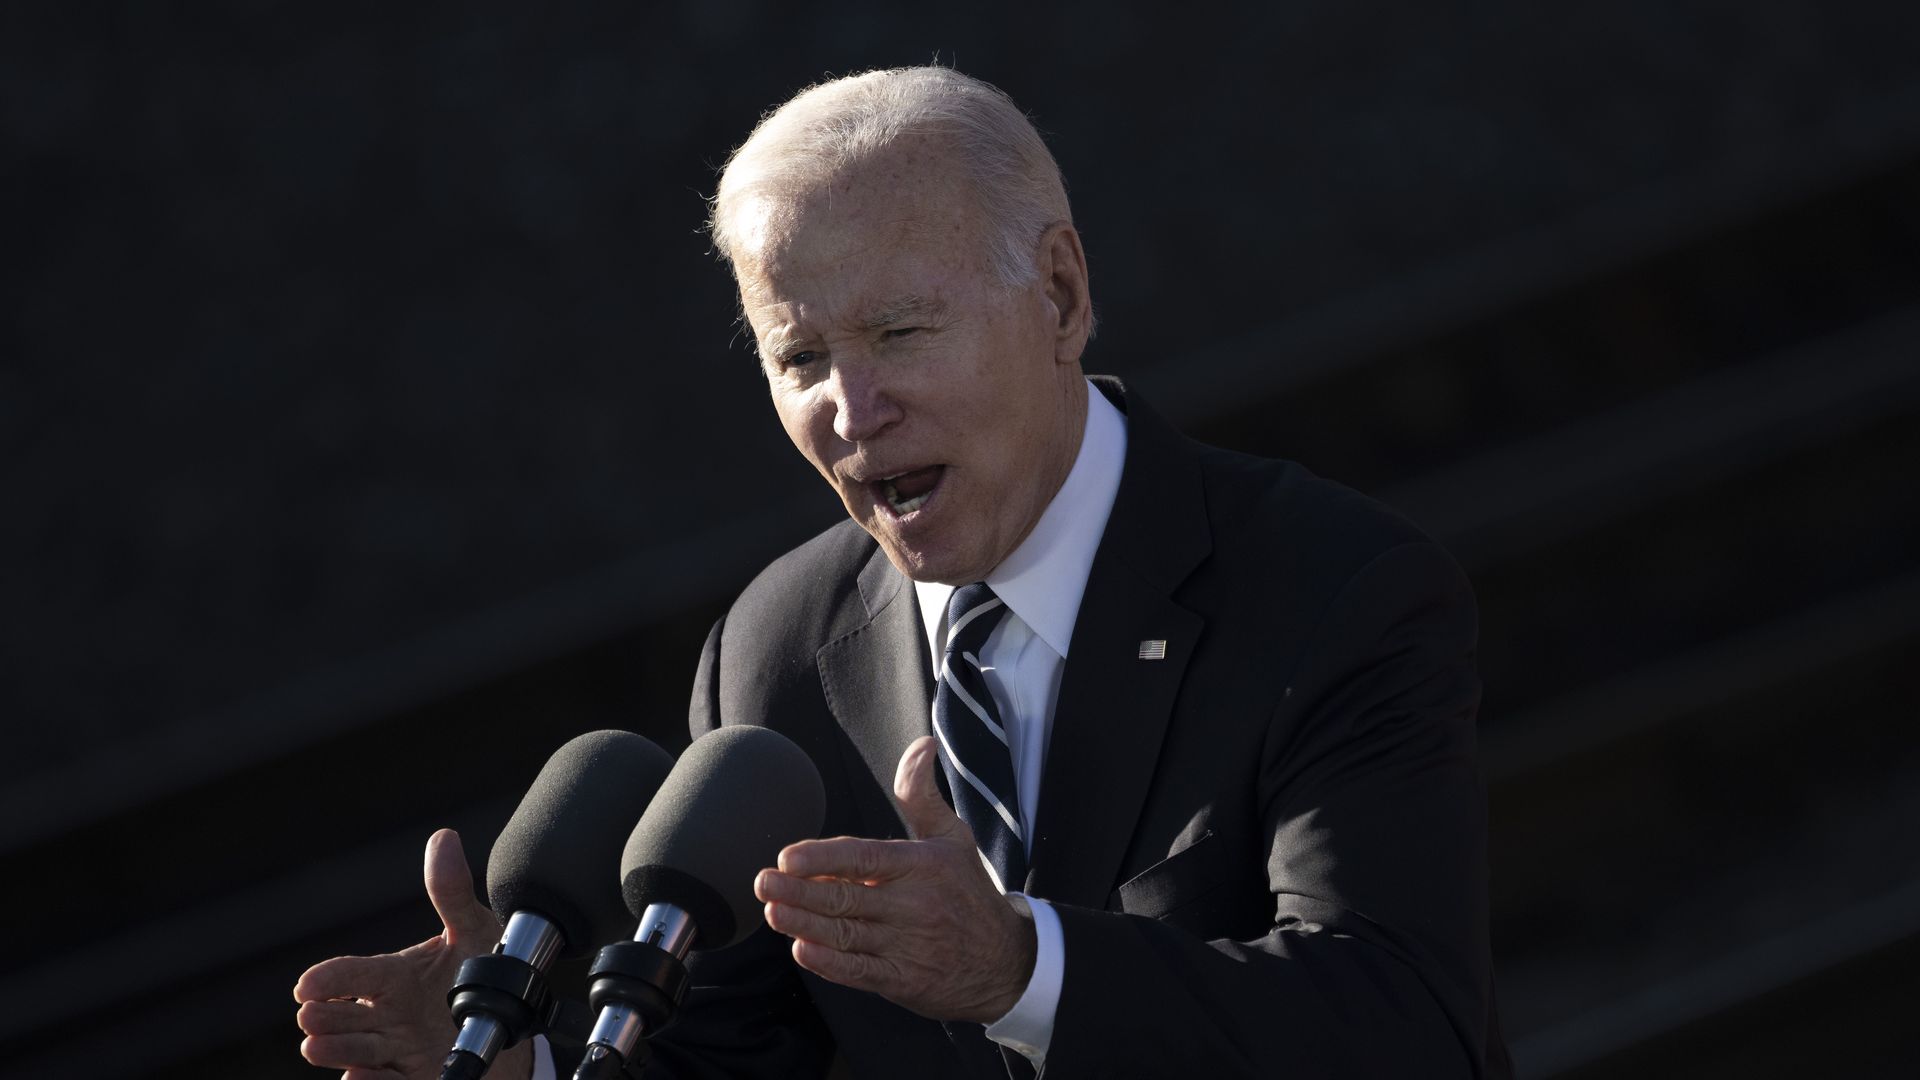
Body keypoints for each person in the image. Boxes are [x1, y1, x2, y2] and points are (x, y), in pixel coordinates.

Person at [296, 66, 1510, 1079]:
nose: (851, 408)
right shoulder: (778, 649)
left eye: (900, 334)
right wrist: (529, 1064)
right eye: (801, 354)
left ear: (1061, 295)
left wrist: (1020, 970)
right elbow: (739, 1060)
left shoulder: (1334, 589)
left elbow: (1410, 1026)